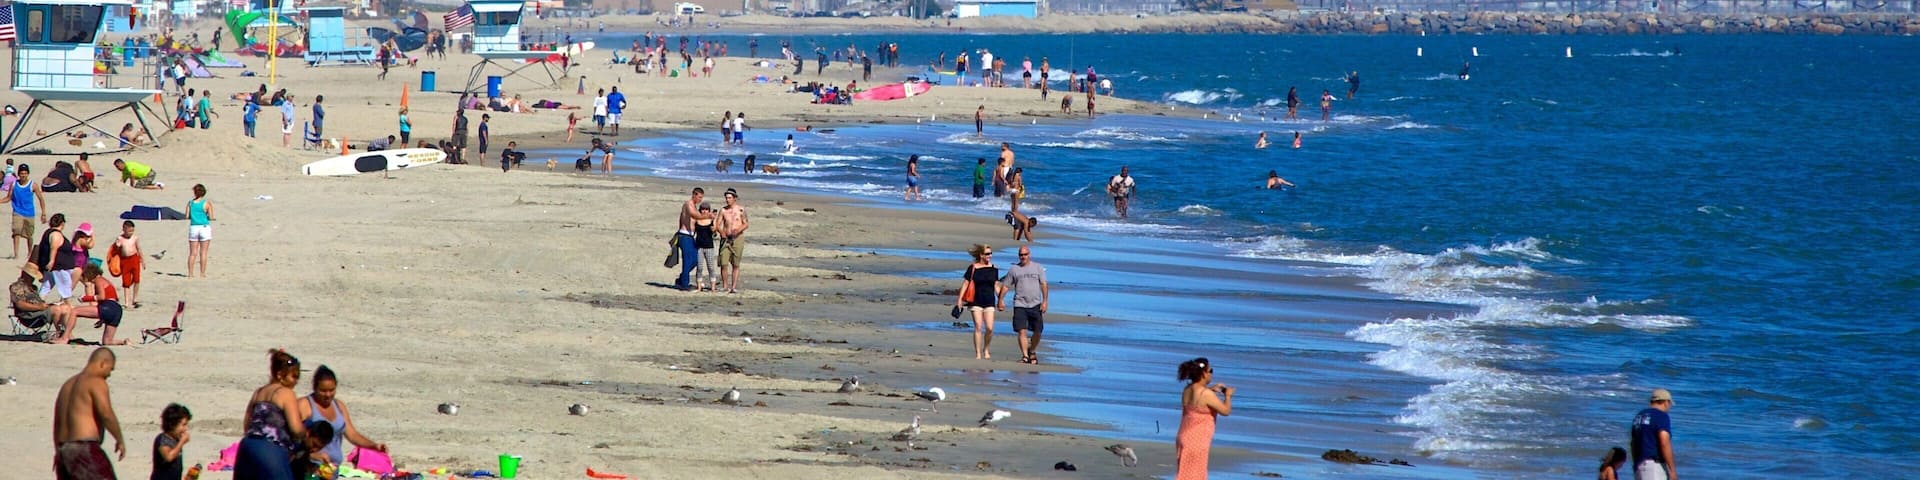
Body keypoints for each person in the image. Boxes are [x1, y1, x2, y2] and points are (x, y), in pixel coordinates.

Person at [297, 366, 389, 480]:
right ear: (314, 387)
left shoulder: (338, 406)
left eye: (331, 390)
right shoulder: (304, 405)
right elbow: (292, 438)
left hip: (331, 471)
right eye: (323, 391)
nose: (328, 395)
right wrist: (311, 455)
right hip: (310, 469)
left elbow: (352, 435)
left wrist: (374, 446)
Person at [54, 348, 128, 480]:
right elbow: (106, 413)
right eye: (110, 369)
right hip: (84, 449)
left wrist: (58, 452)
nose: (109, 375)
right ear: (103, 363)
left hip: (63, 450)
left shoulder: (67, 385)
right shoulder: (95, 381)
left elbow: (57, 423)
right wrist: (119, 439)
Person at [236, 349, 308, 480]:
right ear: (280, 375)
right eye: (294, 376)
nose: (296, 381)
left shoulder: (258, 392)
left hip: (247, 446)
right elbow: (296, 428)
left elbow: (247, 424)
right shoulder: (286, 393)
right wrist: (305, 433)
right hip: (270, 450)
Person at [1176, 357, 1233, 480]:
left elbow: (1197, 399)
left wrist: (1211, 389)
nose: (1211, 374)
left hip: (1184, 436)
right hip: (1197, 440)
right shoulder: (1206, 394)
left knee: (1186, 473)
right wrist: (1228, 396)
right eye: (1210, 371)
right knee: (1196, 474)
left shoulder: (1187, 389)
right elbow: (1226, 411)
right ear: (1203, 374)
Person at [955, 244, 1005, 360]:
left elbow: (996, 285)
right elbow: (966, 284)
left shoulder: (994, 268)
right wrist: (959, 300)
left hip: (989, 301)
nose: (990, 256)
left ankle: (986, 349)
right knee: (978, 326)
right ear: (981, 255)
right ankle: (978, 353)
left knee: (989, 328)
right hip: (975, 301)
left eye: (991, 253)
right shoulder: (973, 268)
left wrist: (1000, 299)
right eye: (987, 254)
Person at [1000, 245, 1048, 364]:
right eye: (1021, 255)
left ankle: (1032, 351)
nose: (1023, 257)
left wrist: (1045, 301)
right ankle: (1025, 356)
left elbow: (1043, 285)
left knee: (1038, 331)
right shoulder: (1014, 269)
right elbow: (1006, 286)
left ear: (1029, 255)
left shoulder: (1038, 268)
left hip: (1035, 304)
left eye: (1025, 254)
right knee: (1022, 330)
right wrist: (1000, 300)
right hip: (1020, 304)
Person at [14, 264, 77, 344]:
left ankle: (68, 334)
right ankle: (59, 333)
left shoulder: (33, 287)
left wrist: (48, 305)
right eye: (31, 276)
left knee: (66, 307)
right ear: (25, 275)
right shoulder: (17, 287)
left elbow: (39, 303)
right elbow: (20, 304)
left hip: (39, 311)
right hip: (27, 315)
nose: (33, 278)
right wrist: (40, 307)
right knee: (56, 309)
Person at [74, 260, 129, 346]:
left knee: (74, 311)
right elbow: (110, 299)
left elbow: (102, 297)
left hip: (109, 307)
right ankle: (124, 342)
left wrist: (85, 298)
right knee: (107, 341)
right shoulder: (105, 281)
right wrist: (102, 319)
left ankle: (65, 336)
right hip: (117, 310)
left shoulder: (98, 280)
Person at [1630, 389, 1677, 480]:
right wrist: (1672, 469)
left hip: (1639, 464)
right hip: (1654, 466)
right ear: (1666, 402)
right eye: (1669, 404)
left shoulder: (1639, 416)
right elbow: (1664, 441)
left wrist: (1635, 463)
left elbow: (1633, 443)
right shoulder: (1661, 415)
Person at [673, 188, 712, 291]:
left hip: (690, 236)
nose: (700, 199)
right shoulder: (688, 204)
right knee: (687, 260)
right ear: (694, 195)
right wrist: (707, 215)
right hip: (684, 235)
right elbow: (695, 215)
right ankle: (684, 284)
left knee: (696, 260)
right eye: (699, 197)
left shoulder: (694, 206)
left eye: (701, 197)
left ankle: (681, 279)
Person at [5, 162, 45, 259]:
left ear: (28, 174)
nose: (23, 175)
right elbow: (8, 197)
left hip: (29, 213)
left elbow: (41, 199)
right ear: (18, 174)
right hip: (17, 212)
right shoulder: (14, 184)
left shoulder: (33, 185)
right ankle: (16, 254)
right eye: (21, 173)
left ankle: (29, 252)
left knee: (29, 235)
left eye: (25, 173)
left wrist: (43, 213)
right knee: (16, 231)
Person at [715, 188, 749, 293]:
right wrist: (721, 232)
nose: (727, 200)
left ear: (734, 198)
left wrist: (738, 230)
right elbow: (717, 224)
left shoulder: (741, 210)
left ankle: (733, 287)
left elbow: (746, 224)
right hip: (726, 239)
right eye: (726, 198)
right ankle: (725, 286)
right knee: (723, 263)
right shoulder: (723, 210)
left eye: (729, 198)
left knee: (736, 264)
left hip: (737, 238)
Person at [152, 404, 192, 480]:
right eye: (183, 425)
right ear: (172, 424)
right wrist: (181, 442)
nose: (185, 429)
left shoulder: (176, 440)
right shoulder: (162, 439)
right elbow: (169, 457)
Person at [186, 184, 213, 278]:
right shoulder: (207, 203)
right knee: (203, 252)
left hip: (194, 227)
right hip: (204, 227)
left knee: (192, 253)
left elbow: (187, 216)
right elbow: (211, 217)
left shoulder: (190, 203)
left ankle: (190, 273)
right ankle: (202, 273)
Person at [112, 221, 141, 308]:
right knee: (126, 282)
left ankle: (135, 299)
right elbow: (115, 250)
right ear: (124, 229)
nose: (131, 233)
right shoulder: (120, 238)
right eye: (129, 231)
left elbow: (139, 248)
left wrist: (142, 260)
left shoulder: (135, 238)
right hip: (125, 261)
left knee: (136, 279)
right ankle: (126, 302)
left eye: (132, 231)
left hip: (134, 259)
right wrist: (117, 245)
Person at [692, 203, 717, 292]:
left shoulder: (712, 220)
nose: (704, 211)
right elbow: (693, 232)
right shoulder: (697, 220)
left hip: (709, 246)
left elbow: (714, 233)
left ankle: (713, 288)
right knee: (699, 267)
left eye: (706, 209)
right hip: (699, 247)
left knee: (711, 267)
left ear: (709, 210)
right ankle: (699, 287)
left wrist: (714, 229)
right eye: (703, 209)